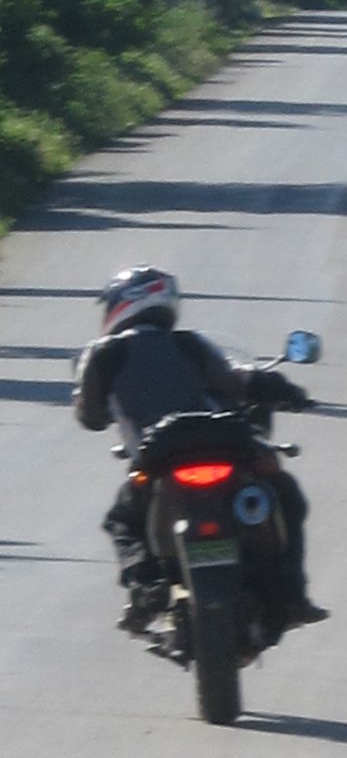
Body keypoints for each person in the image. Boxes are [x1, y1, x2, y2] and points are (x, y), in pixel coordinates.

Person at [73, 265, 328, 634]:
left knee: (123, 520)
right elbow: (237, 382)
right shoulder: (189, 343)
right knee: (285, 493)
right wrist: (287, 391)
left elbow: (91, 417)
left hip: (158, 455)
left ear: (119, 305)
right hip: (225, 443)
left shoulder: (104, 354)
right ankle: (293, 594)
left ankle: (145, 589)